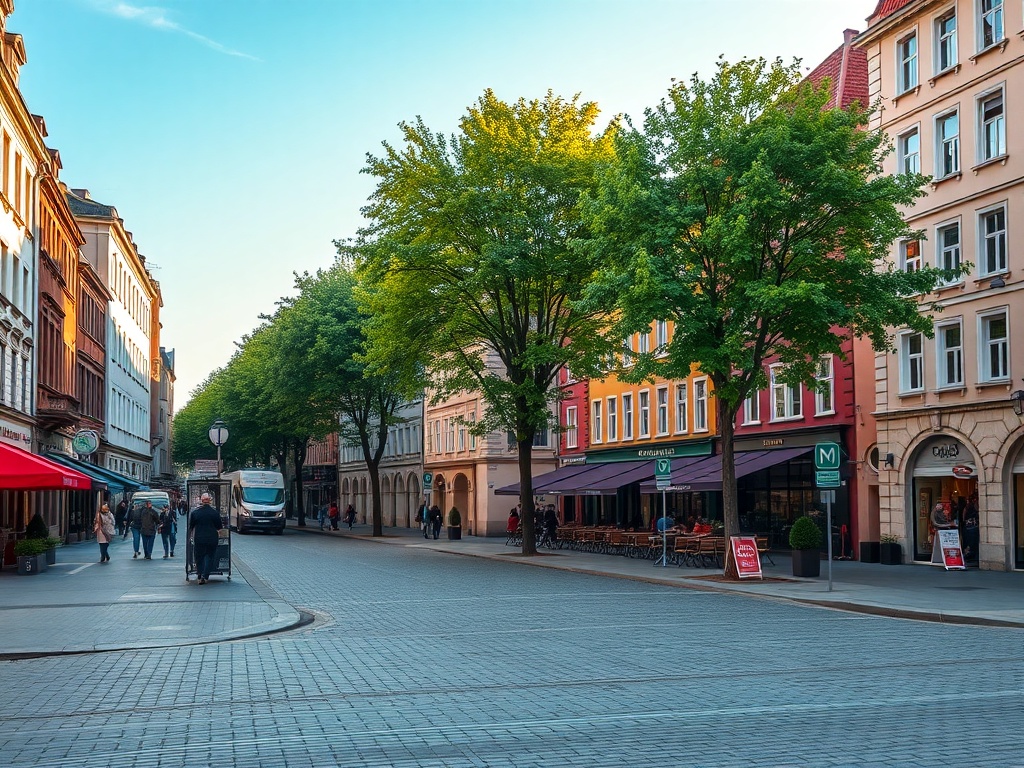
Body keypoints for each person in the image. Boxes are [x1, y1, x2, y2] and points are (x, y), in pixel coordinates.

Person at [189, 492, 222, 584]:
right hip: (212, 538)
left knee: (199, 557)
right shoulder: (215, 513)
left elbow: (191, 526)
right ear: (209, 501)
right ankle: (206, 575)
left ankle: (199, 575)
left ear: (201, 501)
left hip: (199, 538)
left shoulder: (195, 513)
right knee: (210, 557)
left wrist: (191, 537)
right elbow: (219, 527)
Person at [963, 493, 980, 561]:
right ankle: (971, 554)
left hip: (968, 525)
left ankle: (969, 553)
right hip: (973, 525)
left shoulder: (967, 507)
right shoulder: (974, 506)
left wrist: (964, 521)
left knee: (969, 540)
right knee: (973, 540)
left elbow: (963, 516)